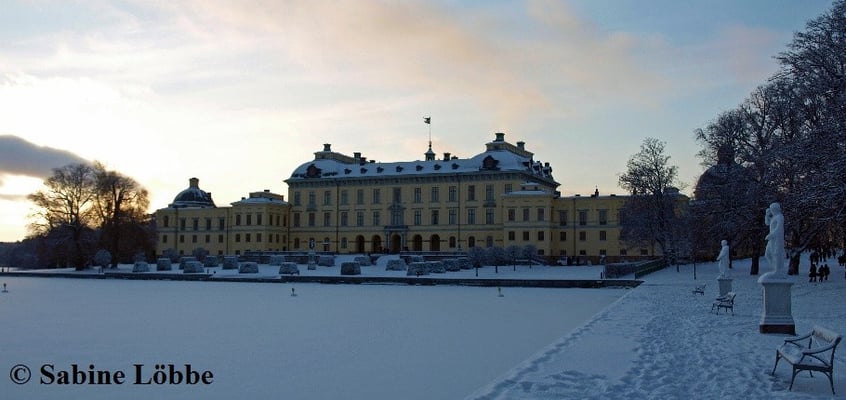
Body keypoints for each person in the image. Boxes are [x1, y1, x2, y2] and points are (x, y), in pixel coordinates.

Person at [764, 202, 786, 277]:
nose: (771, 211)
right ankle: (775, 269)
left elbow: (779, 228)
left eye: (771, 209)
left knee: (776, 254)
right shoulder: (774, 217)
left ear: (774, 209)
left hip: (777, 239)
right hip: (772, 239)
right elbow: (767, 223)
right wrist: (767, 215)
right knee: (768, 254)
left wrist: (771, 235)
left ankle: (777, 271)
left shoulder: (780, 217)